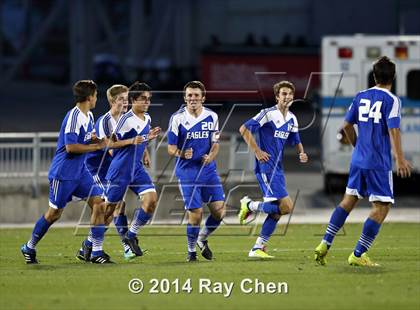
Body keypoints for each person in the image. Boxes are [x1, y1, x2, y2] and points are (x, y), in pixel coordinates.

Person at [314, 56, 412, 267]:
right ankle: (358, 254)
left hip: (358, 161)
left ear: (374, 76)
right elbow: (393, 129)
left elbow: (347, 127)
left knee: (347, 201)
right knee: (381, 207)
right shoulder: (392, 101)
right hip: (378, 163)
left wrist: (357, 147)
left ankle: (325, 242)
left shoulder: (361, 96)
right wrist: (400, 158)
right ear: (393, 77)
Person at [21, 80, 112, 264]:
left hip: (81, 173)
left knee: (100, 203)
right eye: (95, 95)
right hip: (63, 174)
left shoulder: (89, 116)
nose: (96, 99)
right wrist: (96, 146)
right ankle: (29, 246)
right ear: (89, 97)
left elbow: (86, 138)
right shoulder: (74, 117)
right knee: (54, 213)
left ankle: (95, 251)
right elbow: (70, 147)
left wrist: (97, 139)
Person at [238, 80, 308, 258]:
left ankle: (257, 248)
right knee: (286, 207)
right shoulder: (267, 114)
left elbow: (296, 138)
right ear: (277, 97)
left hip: (278, 168)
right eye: (284, 94)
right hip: (266, 167)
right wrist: (257, 150)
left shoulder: (292, 118)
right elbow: (244, 129)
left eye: (290, 94)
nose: (288, 97)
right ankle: (249, 205)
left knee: (277, 212)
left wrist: (302, 152)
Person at [77, 84, 139, 261]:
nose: (126, 103)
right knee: (111, 206)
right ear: (112, 101)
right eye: (122, 99)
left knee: (118, 205)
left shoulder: (127, 119)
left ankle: (89, 245)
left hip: (111, 167)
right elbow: (112, 150)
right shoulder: (105, 121)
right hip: (96, 167)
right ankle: (112, 247)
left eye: (127, 99)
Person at [167, 81, 225, 262]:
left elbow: (215, 144)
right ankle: (191, 252)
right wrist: (182, 153)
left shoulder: (212, 116)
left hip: (208, 171)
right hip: (188, 173)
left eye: (196, 95)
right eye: (189, 95)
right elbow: (170, 148)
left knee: (219, 212)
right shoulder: (177, 118)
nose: (193, 99)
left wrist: (211, 156)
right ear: (185, 98)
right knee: (196, 214)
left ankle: (202, 238)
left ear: (203, 98)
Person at [104, 82, 161, 259]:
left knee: (151, 200)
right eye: (143, 99)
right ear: (134, 100)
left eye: (149, 99)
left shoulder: (147, 118)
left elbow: (140, 139)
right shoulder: (125, 119)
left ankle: (131, 235)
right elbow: (110, 144)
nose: (147, 102)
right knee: (108, 213)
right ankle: (89, 244)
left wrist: (145, 148)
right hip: (120, 170)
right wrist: (132, 142)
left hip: (136, 169)